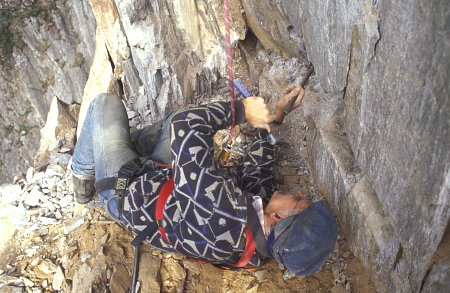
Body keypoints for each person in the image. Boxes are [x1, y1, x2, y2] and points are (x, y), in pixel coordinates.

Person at [71, 85, 338, 275]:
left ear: (278, 218)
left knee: (106, 103)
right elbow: (258, 173)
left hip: (125, 190)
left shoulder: (223, 212)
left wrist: (241, 110)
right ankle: (125, 144)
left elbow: (187, 126)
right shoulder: (262, 243)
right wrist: (276, 118)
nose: (301, 193)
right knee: (171, 120)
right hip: (166, 183)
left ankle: (82, 176)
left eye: (301, 202)